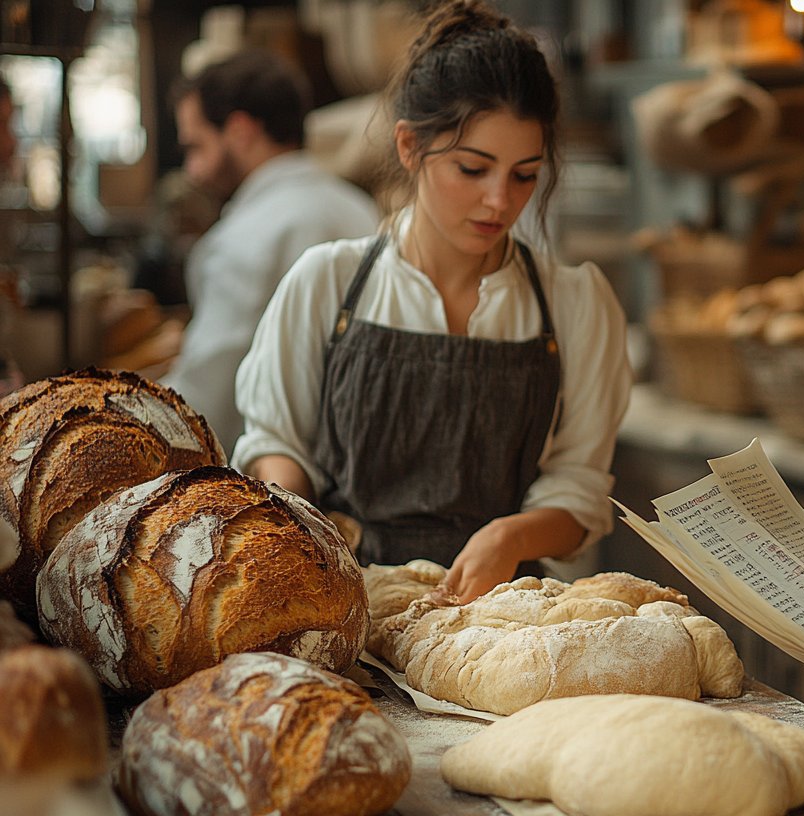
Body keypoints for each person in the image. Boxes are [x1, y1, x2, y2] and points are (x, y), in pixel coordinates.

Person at [232, 0, 633, 603]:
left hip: (496, 618)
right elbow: (275, 442)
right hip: (346, 602)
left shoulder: (574, 304)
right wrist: (302, 531)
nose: (499, 201)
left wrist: (512, 535)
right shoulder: (329, 282)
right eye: (473, 169)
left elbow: (578, 488)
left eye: (524, 175)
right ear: (409, 147)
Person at [162, 50, 379, 454]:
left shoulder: (244, 238)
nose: (192, 171)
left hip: (281, 481)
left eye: (196, 148)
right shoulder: (360, 207)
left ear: (241, 130)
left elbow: (205, 400)